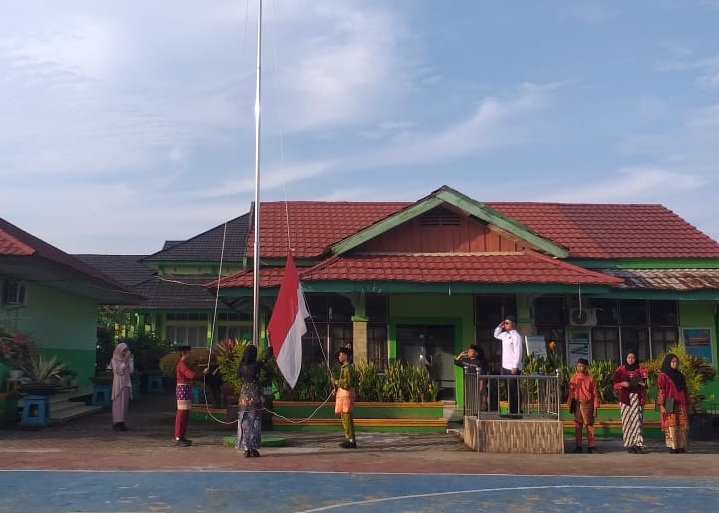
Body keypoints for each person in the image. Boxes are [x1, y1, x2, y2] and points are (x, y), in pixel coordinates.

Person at [236, 344, 273, 458]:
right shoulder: (256, 365)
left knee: (244, 423)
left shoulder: (241, 367)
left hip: (243, 398)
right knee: (255, 422)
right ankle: (253, 448)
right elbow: (268, 355)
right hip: (254, 397)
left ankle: (246, 449)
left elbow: (239, 376)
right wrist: (269, 342)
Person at [613, 349, 647, 454]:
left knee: (638, 421)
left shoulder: (640, 370)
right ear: (625, 358)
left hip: (637, 398)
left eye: (633, 358)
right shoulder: (620, 370)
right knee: (627, 422)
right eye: (629, 358)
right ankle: (629, 444)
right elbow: (615, 385)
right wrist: (622, 384)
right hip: (625, 399)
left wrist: (640, 381)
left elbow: (645, 384)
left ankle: (638, 445)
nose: (631, 360)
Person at [174, 345, 208, 447]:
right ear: (184, 353)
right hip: (182, 388)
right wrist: (203, 373)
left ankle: (182, 435)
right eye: (189, 353)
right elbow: (191, 375)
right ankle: (178, 436)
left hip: (186, 388)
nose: (190, 354)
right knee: (181, 413)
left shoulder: (183, 364)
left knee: (185, 413)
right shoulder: (181, 364)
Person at [657, 353, 691, 454]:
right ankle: (673, 446)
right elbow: (661, 390)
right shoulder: (663, 375)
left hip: (681, 402)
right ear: (668, 363)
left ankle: (681, 446)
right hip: (669, 402)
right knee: (671, 425)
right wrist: (661, 404)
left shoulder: (680, 375)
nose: (675, 364)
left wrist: (688, 401)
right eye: (673, 362)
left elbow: (685, 390)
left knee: (681, 425)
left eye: (676, 362)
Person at [568, 358, 599, 453]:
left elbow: (594, 394)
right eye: (578, 366)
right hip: (577, 403)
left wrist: (595, 407)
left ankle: (591, 446)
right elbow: (571, 392)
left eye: (582, 366)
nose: (579, 368)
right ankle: (579, 446)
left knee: (589, 425)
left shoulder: (590, 378)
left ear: (586, 367)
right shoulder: (573, 378)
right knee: (578, 425)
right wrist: (570, 404)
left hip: (588, 403)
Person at [494, 315, 523, 416]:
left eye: (507, 323)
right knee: (508, 390)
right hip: (505, 366)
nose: (505, 325)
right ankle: (511, 411)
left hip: (513, 367)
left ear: (513, 324)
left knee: (514, 390)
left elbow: (518, 352)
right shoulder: (505, 335)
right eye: (505, 323)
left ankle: (516, 412)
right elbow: (496, 335)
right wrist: (499, 327)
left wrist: (515, 366)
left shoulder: (516, 336)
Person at [331, 347, 357, 449]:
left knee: (346, 418)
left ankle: (350, 440)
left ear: (346, 356)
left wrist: (336, 382)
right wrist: (336, 388)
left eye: (341, 355)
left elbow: (347, 384)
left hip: (346, 396)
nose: (339, 357)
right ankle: (349, 439)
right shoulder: (345, 368)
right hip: (344, 395)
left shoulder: (347, 369)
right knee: (345, 417)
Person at [454, 344, 489, 411]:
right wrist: (461, 355)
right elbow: (456, 362)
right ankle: (468, 412)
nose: (469, 352)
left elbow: (481, 375)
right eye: (468, 351)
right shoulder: (465, 360)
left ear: (476, 353)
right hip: (468, 383)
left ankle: (478, 411)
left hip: (476, 383)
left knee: (477, 399)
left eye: (471, 351)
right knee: (468, 399)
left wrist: (481, 387)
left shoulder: (479, 362)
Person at [110, 342, 134, 431]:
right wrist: (125, 360)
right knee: (118, 403)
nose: (125, 353)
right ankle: (117, 422)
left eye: (126, 350)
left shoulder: (126, 359)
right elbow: (119, 371)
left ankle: (122, 421)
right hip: (119, 384)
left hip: (126, 383)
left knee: (124, 404)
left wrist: (130, 361)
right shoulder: (114, 360)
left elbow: (131, 371)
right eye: (123, 351)